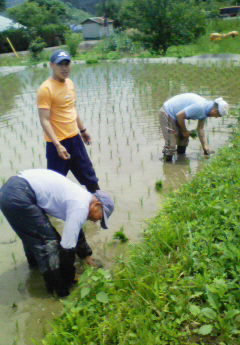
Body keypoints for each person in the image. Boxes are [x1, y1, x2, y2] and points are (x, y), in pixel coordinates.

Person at [0, 169, 114, 297]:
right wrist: (69, 279)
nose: (96, 221)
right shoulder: (81, 206)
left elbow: (75, 229)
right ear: (97, 204)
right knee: (49, 244)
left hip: (12, 190)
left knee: (35, 237)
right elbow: (67, 248)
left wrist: (85, 255)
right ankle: (58, 291)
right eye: (100, 216)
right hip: (20, 195)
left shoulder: (81, 198)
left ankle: (35, 270)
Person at [37, 50, 99, 193]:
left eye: (67, 64)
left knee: (90, 177)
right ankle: (49, 214)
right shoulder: (45, 89)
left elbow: (72, 109)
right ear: (52, 65)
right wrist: (58, 145)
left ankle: (101, 208)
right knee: (54, 184)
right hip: (56, 144)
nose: (65, 68)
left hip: (75, 140)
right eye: (60, 65)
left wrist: (83, 131)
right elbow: (44, 120)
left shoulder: (70, 84)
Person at [159, 93, 229, 162]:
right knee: (171, 144)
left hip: (177, 114)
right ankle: (167, 164)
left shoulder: (207, 109)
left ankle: (180, 159)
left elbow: (200, 128)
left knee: (183, 138)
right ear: (215, 111)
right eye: (217, 115)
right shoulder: (201, 107)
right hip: (167, 112)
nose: (216, 117)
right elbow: (180, 116)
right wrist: (184, 131)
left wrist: (205, 146)